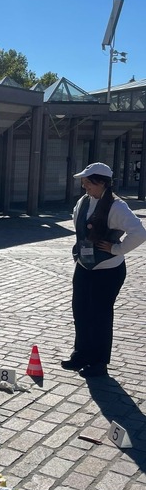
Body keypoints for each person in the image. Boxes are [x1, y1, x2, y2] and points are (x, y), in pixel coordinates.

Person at [62, 162, 146, 378]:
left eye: (88, 182)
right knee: (80, 310)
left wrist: (117, 248)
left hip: (108, 270)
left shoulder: (117, 207)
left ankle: (99, 362)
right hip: (84, 266)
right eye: (84, 182)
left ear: (101, 183)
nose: (84, 186)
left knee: (99, 315)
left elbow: (139, 232)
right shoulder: (83, 202)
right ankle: (81, 354)